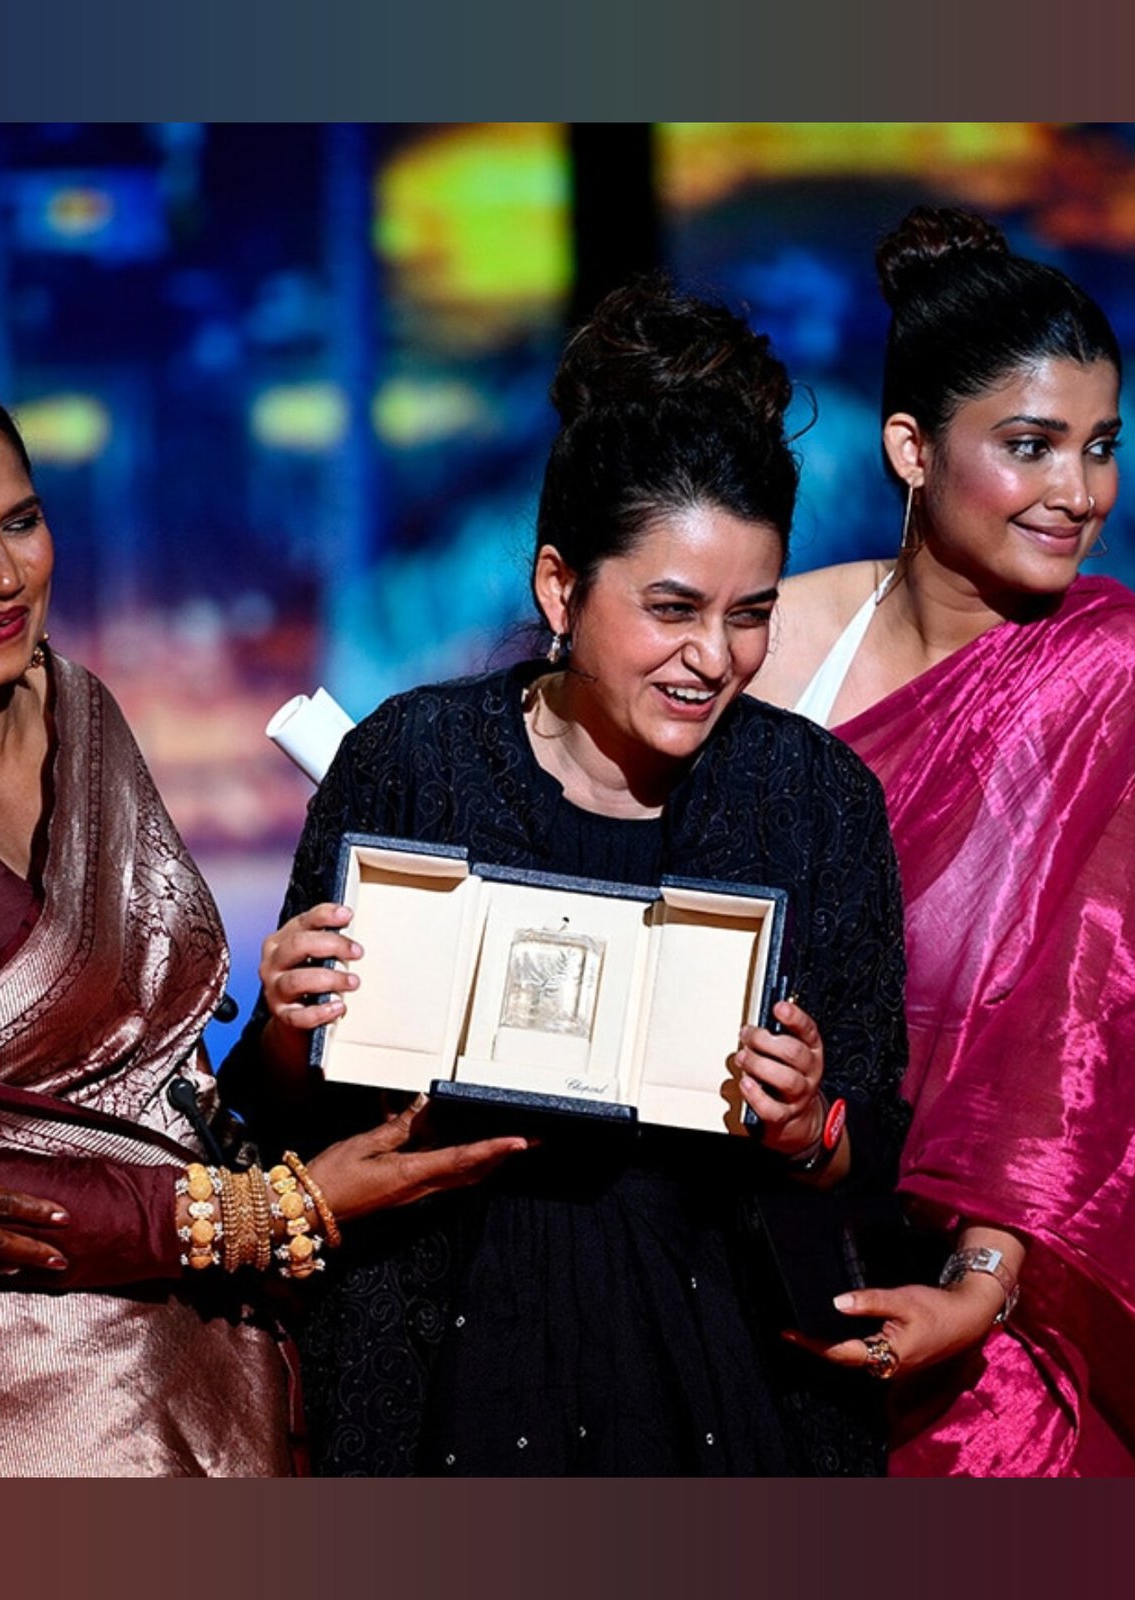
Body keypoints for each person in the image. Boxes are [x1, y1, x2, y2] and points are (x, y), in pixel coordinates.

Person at [220, 281, 909, 1476]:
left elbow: (874, 1148)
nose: (714, 656)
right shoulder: (412, 760)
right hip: (435, 1346)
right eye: (671, 609)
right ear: (559, 587)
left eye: (750, 614)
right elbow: (281, 1111)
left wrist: (808, 1125)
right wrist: (289, 1025)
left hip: (724, 1359)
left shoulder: (816, 800)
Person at [0, 357, 523, 1476]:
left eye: (22, 522)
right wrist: (272, 1212)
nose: (1, 574)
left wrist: (289, 1030)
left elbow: (163, 1084)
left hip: (199, 1335)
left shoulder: (79, 706)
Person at [749, 206, 1135, 1475]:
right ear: (910, 448)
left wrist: (980, 1281)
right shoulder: (777, 643)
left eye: (1100, 447)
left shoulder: (1130, 682)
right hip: (743, 1277)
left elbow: (1097, 1048)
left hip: (998, 1335)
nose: (1079, 494)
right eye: (1031, 446)